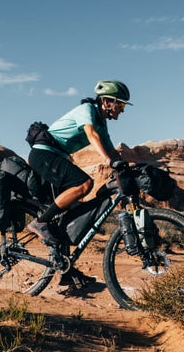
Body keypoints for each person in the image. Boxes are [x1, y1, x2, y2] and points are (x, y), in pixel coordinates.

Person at [26, 80, 131, 253]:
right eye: (119, 104)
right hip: (44, 154)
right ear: (106, 102)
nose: (122, 109)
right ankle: (39, 223)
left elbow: (112, 151)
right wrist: (107, 160)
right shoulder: (87, 110)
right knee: (84, 184)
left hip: (56, 157)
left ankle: (66, 272)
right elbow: (92, 135)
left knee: (70, 214)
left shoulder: (102, 123)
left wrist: (126, 167)